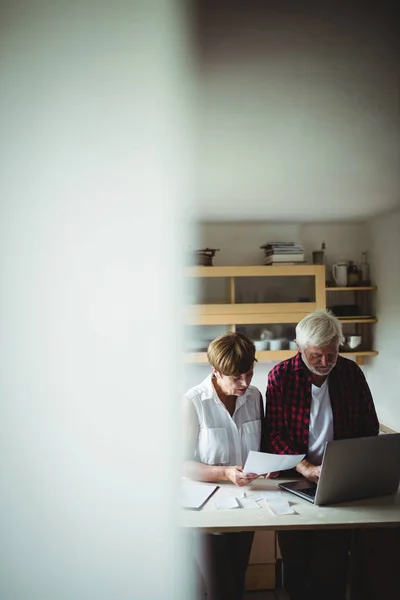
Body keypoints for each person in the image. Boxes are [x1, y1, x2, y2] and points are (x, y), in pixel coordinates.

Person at [264, 310, 379, 600]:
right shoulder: (281, 376)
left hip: (339, 479)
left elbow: (369, 427)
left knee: (333, 564)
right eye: (317, 355)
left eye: (332, 353)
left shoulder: (351, 373)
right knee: (296, 564)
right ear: (299, 347)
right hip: (292, 479)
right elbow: (273, 434)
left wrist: (347, 465)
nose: (325, 362)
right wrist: (304, 467)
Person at [183, 332, 266, 600]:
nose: (245, 383)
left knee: (238, 581)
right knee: (221, 590)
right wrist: (226, 472)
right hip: (206, 508)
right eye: (236, 377)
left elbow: (258, 447)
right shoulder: (193, 402)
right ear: (215, 371)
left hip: (247, 503)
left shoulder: (254, 397)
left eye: (249, 373)